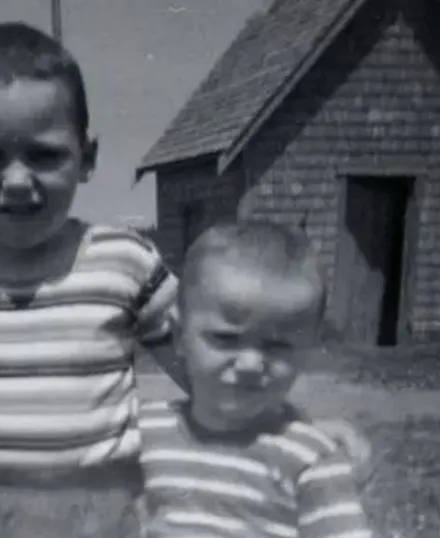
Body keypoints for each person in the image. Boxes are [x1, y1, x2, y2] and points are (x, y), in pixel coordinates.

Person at [0, 21, 371, 538]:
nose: (17, 181)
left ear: (86, 158)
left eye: (44, 154)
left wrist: (296, 427)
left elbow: (206, 367)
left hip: (96, 511)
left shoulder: (123, 262)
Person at [138, 221, 373, 538]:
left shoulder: (309, 458)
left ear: (306, 351)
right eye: (226, 338)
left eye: (277, 346)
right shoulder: (142, 434)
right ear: (179, 336)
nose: (250, 364)